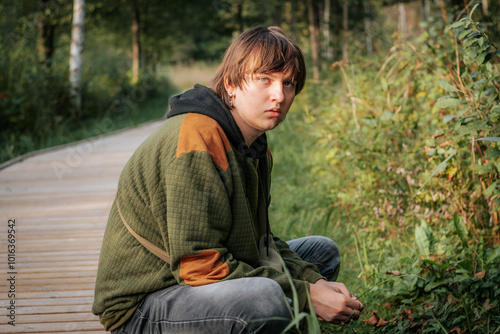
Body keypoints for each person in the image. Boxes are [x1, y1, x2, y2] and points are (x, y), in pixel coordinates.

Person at [92, 25, 363, 333]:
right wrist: (305, 295)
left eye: (288, 83)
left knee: (321, 254)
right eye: (265, 79)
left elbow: (262, 241)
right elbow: (199, 265)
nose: (279, 95)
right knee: (265, 298)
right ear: (232, 84)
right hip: (144, 305)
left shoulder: (255, 146)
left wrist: (313, 282)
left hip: (200, 281)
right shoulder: (198, 137)